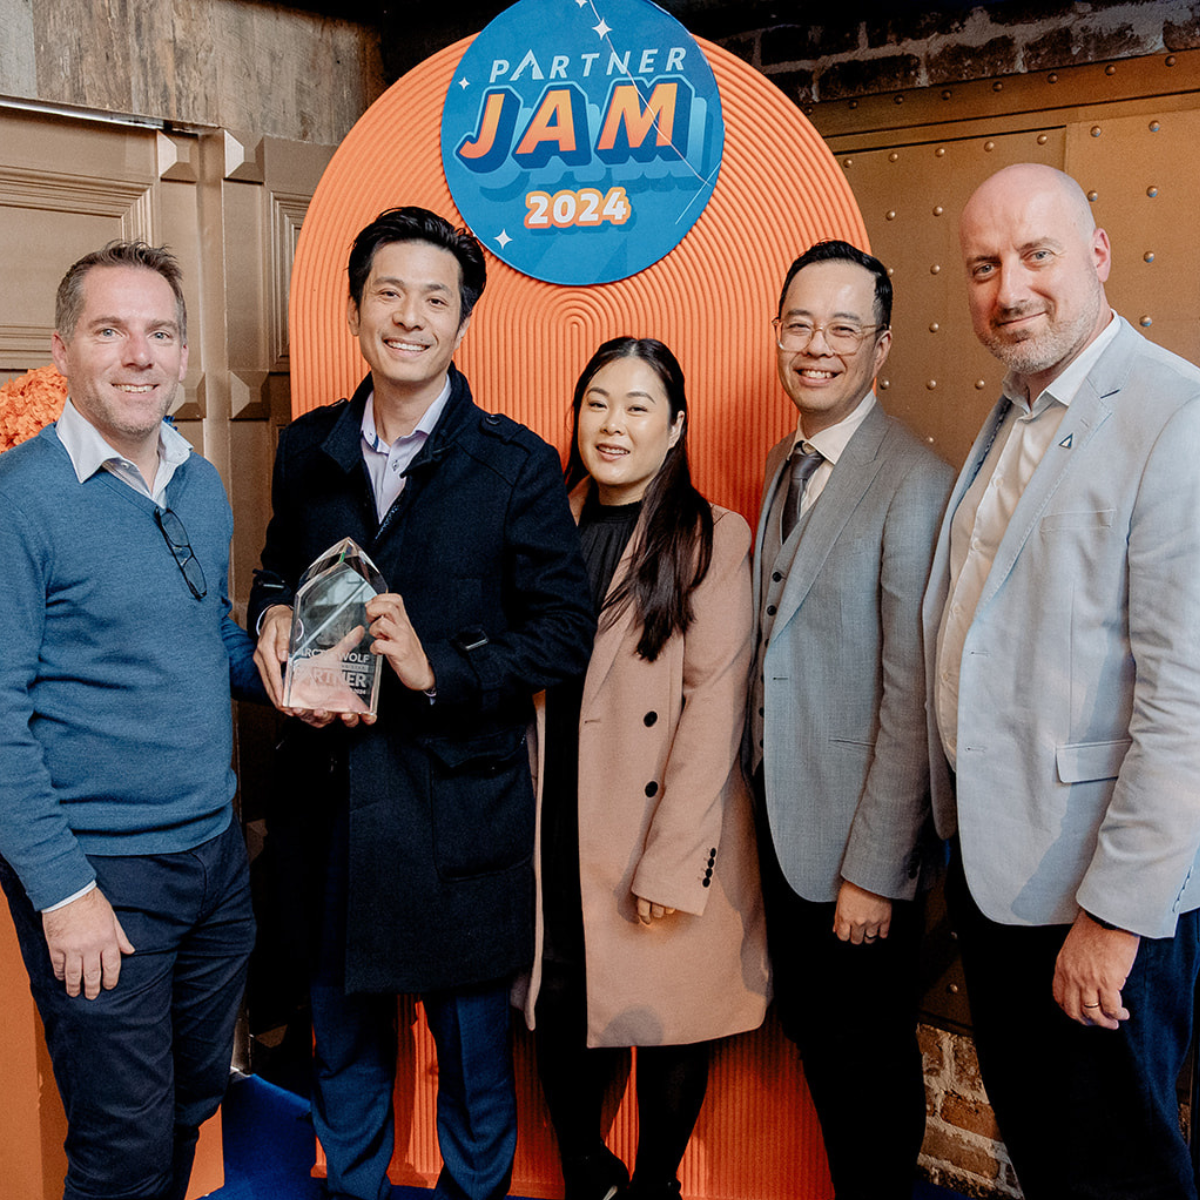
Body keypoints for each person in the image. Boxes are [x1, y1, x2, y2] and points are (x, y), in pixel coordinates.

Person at [249, 206, 595, 1200]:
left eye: (434, 299)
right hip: (329, 808)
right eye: (388, 293)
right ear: (355, 308)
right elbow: (276, 568)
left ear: (463, 318)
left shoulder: (515, 462)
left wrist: (435, 666)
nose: (409, 316)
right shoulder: (307, 448)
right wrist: (272, 614)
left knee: (476, 1071)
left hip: (457, 818)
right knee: (344, 1053)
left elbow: (563, 633)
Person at [924, 162, 1200, 1198]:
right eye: (984, 267)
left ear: (1098, 254)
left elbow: (1187, 704)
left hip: (1097, 905)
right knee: (1052, 1163)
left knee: (1117, 1177)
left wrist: (1115, 919)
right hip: (1002, 878)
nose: (1010, 290)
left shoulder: (1174, 414)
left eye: (1037, 255)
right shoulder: (1016, 407)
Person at [0, 241, 261, 1200]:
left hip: (214, 859)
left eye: (160, 333)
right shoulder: (19, 501)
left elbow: (205, 633)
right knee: (122, 1149)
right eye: (110, 330)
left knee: (191, 1103)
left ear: (184, 353)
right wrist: (64, 892)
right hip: (104, 874)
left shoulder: (198, 483)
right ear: (62, 347)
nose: (139, 355)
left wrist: (284, 672)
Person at [519, 337, 769, 1200]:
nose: (612, 425)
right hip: (553, 808)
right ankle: (588, 1171)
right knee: (559, 1004)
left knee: (670, 1018)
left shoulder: (710, 537)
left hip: (658, 819)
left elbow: (713, 707)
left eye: (637, 407)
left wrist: (672, 861)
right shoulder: (541, 520)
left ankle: (657, 1184)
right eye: (597, 403)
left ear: (676, 426)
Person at [750, 240, 952, 1199]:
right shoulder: (781, 465)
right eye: (799, 325)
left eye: (842, 328)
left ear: (881, 347)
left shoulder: (913, 481)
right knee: (822, 1048)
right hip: (781, 832)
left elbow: (913, 701)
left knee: (867, 1066)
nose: (816, 346)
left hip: (855, 858)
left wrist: (876, 871)